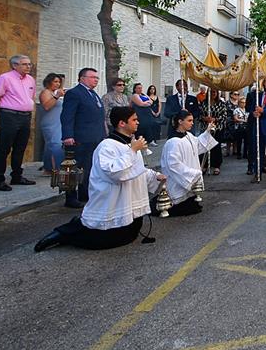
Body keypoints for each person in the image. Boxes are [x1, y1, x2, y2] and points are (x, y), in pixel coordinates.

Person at [33, 106, 166, 252]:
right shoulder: (107, 146)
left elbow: (137, 169)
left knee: (129, 235)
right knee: (99, 241)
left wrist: (154, 176)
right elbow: (117, 174)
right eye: (134, 119)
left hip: (128, 201)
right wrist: (133, 151)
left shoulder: (130, 144)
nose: (138, 122)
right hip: (112, 201)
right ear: (122, 123)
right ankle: (63, 234)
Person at [157, 109, 218, 215]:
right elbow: (173, 165)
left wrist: (207, 132)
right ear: (180, 121)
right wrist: (192, 174)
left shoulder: (188, 136)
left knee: (192, 205)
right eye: (189, 120)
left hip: (187, 182)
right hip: (177, 183)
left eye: (192, 120)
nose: (192, 123)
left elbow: (198, 145)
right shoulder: (173, 142)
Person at [61, 67, 107, 208]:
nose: (96, 80)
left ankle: (84, 193)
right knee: (75, 168)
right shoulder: (75, 93)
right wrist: (68, 135)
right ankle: (70, 197)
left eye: (97, 78)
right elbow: (67, 116)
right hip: (81, 138)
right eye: (92, 77)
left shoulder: (93, 94)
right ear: (82, 78)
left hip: (95, 137)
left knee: (89, 168)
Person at [0, 54, 37, 191]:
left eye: (29, 64)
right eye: (24, 64)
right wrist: (3, 114)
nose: (28, 66)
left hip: (25, 116)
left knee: (20, 148)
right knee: (4, 148)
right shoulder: (5, 78)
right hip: (9, 115)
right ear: (14, 65)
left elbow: (30, 97)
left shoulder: (30, 80)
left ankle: (17, 176)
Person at [38, 73, 66, 175]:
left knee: (50, 145)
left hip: (58, 121)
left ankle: (48, 168)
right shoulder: (46, 92)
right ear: (49, 82)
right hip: (50, 122)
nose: (58, 84)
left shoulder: (56, 93)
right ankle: (58, 168)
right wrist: (57, 96)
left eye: (59, 82)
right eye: (55, 81)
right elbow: (46, 106)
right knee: (56, 144)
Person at [198, 88, 226, 175]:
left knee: (216, 147)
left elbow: (224, 115)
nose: (213, 93)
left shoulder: (221, 104)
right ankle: (205, 165)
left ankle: (217, 165)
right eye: (211, 92)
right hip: (205, 128)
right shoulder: (203, 103)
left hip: (217, 128)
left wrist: (215, 119)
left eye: (215, 92)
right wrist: (205, 118)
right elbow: (199, 115)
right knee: (205, 147)